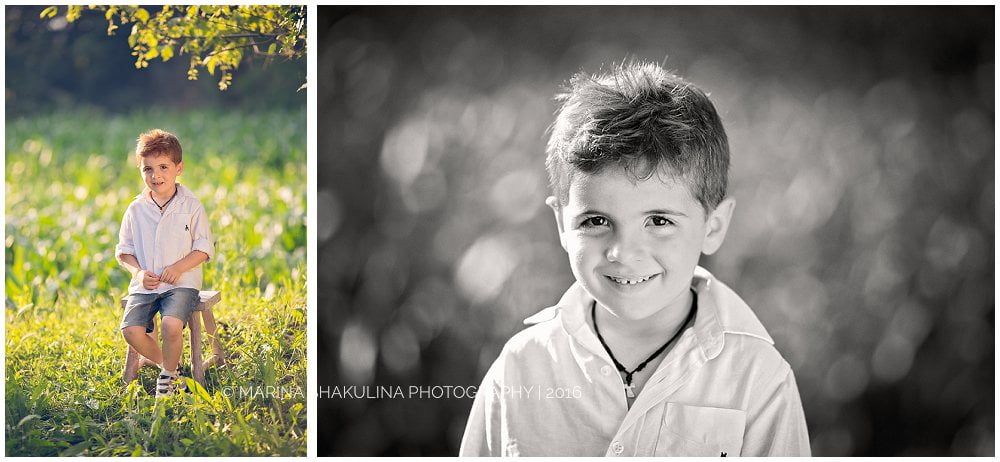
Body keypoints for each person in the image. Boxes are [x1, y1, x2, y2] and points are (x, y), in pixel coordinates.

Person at [460, 62, 810, 456]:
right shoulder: (521, 369)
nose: (622, 252)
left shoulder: (756, 377)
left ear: (712, 227)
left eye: (659, 221)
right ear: (561, 222)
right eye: (596, 221)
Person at [115, 129, 214, 398]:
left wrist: (180, 267)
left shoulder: (191, 206)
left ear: (178, 168)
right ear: (140, 170)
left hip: (182, 283)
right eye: (147, 169)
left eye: (163, 167)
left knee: (171, 325)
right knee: (131, 330)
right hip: (146, 285)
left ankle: (167, 377)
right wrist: (137, 272)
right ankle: (170, 367)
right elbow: (124, 251)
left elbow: (204, 249)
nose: (155, 176)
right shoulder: (135, 209)